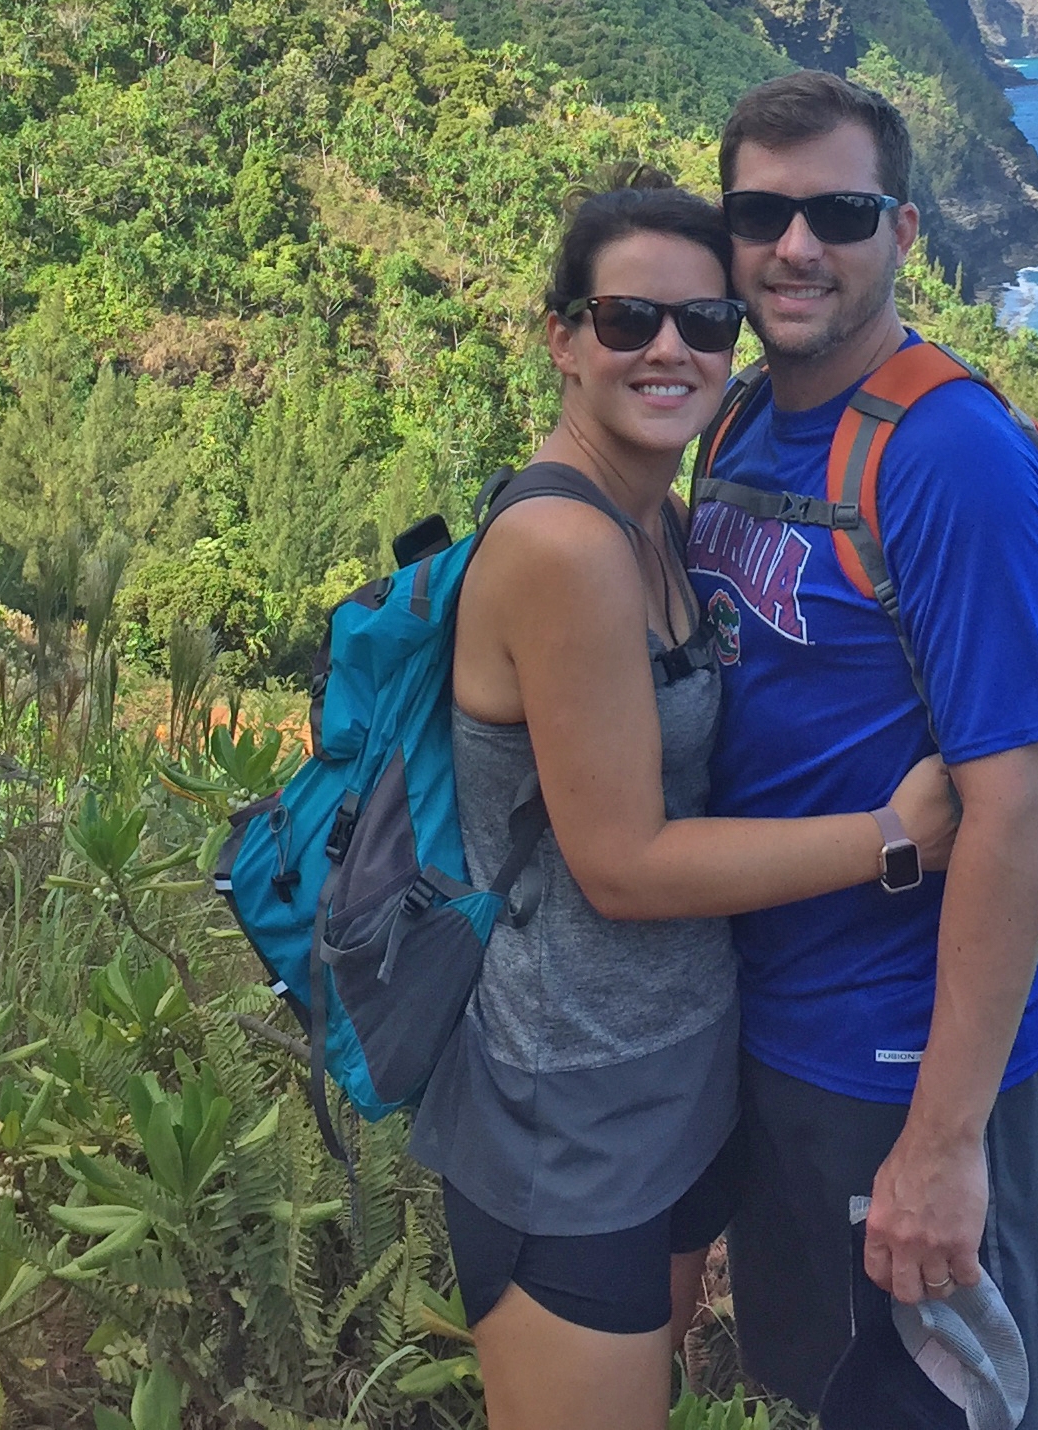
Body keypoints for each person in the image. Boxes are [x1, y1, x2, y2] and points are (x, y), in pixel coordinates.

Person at [410, 175, 964, 1430]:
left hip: (675, 1081)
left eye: (707, 323)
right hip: (569, 1108)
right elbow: (621, 865)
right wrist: (890, 839)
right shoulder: (566, 549)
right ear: (563, 338)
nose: (670, 349)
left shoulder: (659, 516)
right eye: (628, 320)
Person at [687, 74, 1038, 1430]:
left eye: (840, 214)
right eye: (762, 215)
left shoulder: (950, 457)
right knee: (820, 1396)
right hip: (778, 1050)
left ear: (903, 232)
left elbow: (1019, 805)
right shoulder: (738, 421)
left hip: (908, 1074)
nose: (796, 247)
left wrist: (946, 1143)